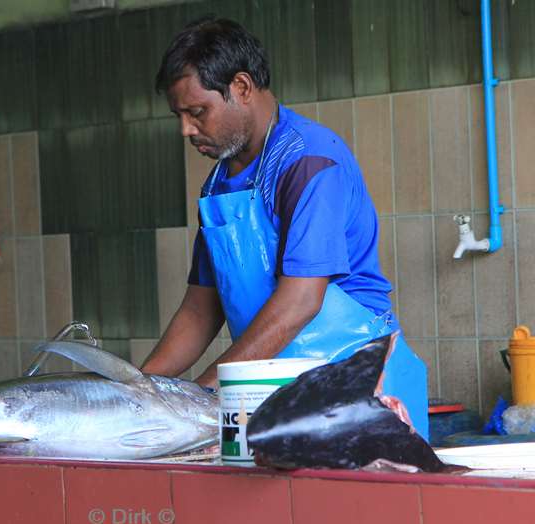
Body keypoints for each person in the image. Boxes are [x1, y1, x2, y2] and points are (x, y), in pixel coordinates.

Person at [140, 18, 430, 439]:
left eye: (197, 112)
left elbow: (300, 301)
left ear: (241, 87)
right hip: (266, 382)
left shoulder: (308, 160)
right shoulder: (219, 184)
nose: (186, 129)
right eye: (179, 115)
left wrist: (202, 395)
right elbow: (200, 309)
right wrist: (139, 389)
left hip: (355, 383)